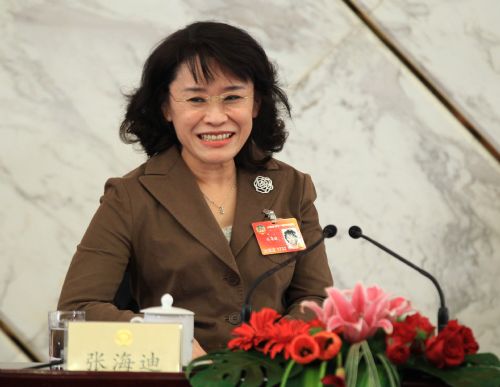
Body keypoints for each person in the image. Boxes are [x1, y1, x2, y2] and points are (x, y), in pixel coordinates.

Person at [58, 21, 333, 357]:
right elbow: (77, 310)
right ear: (166, 108)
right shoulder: (130, 196)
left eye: (232, 97)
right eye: (196, 99)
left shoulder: (291, 187)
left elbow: (315, 298)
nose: (216, 117)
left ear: (256, 104)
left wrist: (280, 344)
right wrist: (167, 341)